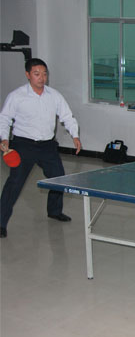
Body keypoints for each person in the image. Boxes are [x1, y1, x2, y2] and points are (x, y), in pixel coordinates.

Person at [0, 58, 82, 239]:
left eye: (44, 74)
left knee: (59, 178)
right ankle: (1, 223)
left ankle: (54, 211)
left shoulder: (54, 96)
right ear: (28, 75)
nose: (42, 78)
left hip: (47, 146)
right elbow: (4, 119)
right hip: (23, 145)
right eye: (37, 74)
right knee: (14, 183)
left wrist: (75, 135)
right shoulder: (16, 96)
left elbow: (67, 116)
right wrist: (4, 138)